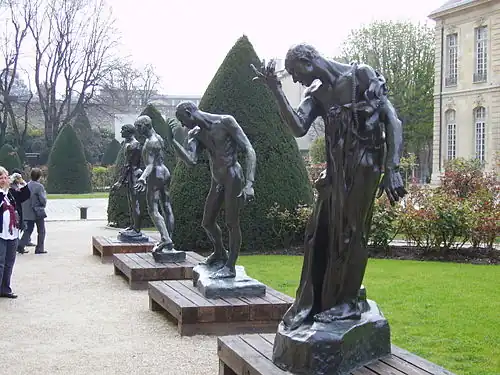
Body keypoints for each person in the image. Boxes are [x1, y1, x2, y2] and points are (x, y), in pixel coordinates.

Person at [251, 43, 407, 328]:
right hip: (335, 174)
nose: (297, 81)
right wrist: (275, 90)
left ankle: (346, 302)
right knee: (317, 232)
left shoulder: (360, 75)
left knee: (351, 232)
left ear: (308, 61)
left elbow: (391, 120)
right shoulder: (317, 93)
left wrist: (392, 168)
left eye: (296, 73)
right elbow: (298, 126)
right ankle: (318, 301)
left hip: (364, 166)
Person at [172, 101, 256, 279]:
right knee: (207, 222)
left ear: (188, 113)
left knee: (232, 223)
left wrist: (249, 183)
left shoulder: (226, 122)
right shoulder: (195, 133)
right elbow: (191, 161)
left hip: (233, 176)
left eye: (182, 120)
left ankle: (230, 266)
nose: (182, 125)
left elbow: (249, 149)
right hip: (216, 179)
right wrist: (173, 142)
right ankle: (220, 253)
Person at [133, 115, 175, 254]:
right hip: (164, 172)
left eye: (139, 126)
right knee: (167, 206)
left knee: (153, 210)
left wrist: (143, 178)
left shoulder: (151, 141)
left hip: (155, 174)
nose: (137, 129)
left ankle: (165, 239)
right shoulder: (158, 137)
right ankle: (169, 241)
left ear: (146, 125)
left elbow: (150, 164)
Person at [0, 166, 30, 298]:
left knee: (9, 262)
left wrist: (21, 181)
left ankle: (5, 288)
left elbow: (25, 195)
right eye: (0, 178)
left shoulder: (11, 193)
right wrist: (3, 192)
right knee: (0, 263)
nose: (3, 180)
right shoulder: (3, 194)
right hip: (1, 233)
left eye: (5, 177)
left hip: (13, 232)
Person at [111, 124, 145, 239]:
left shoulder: (133, 145)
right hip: (132, 175)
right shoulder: (128, 144)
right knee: (131, 203)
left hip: (134, 175)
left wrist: (120, 181)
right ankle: (133, 226)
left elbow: (128, 165)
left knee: (135, 203)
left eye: (123, 130)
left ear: (129, 132)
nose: (121, 132)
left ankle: (137, 229)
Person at [18, 168, 47, 255]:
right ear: (39, 177)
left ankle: (21, 245)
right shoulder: (39, 186)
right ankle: (39, 248)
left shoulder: (26, 185)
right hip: (37, 211)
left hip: (28, 211)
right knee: (41, 230)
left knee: (28, 229)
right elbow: (42, 199)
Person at [11, 168, 35, 252]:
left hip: (17, 214)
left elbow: (25, 195)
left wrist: (23, 183)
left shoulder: (17, 188)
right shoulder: (9, 189)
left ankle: (16, 246)